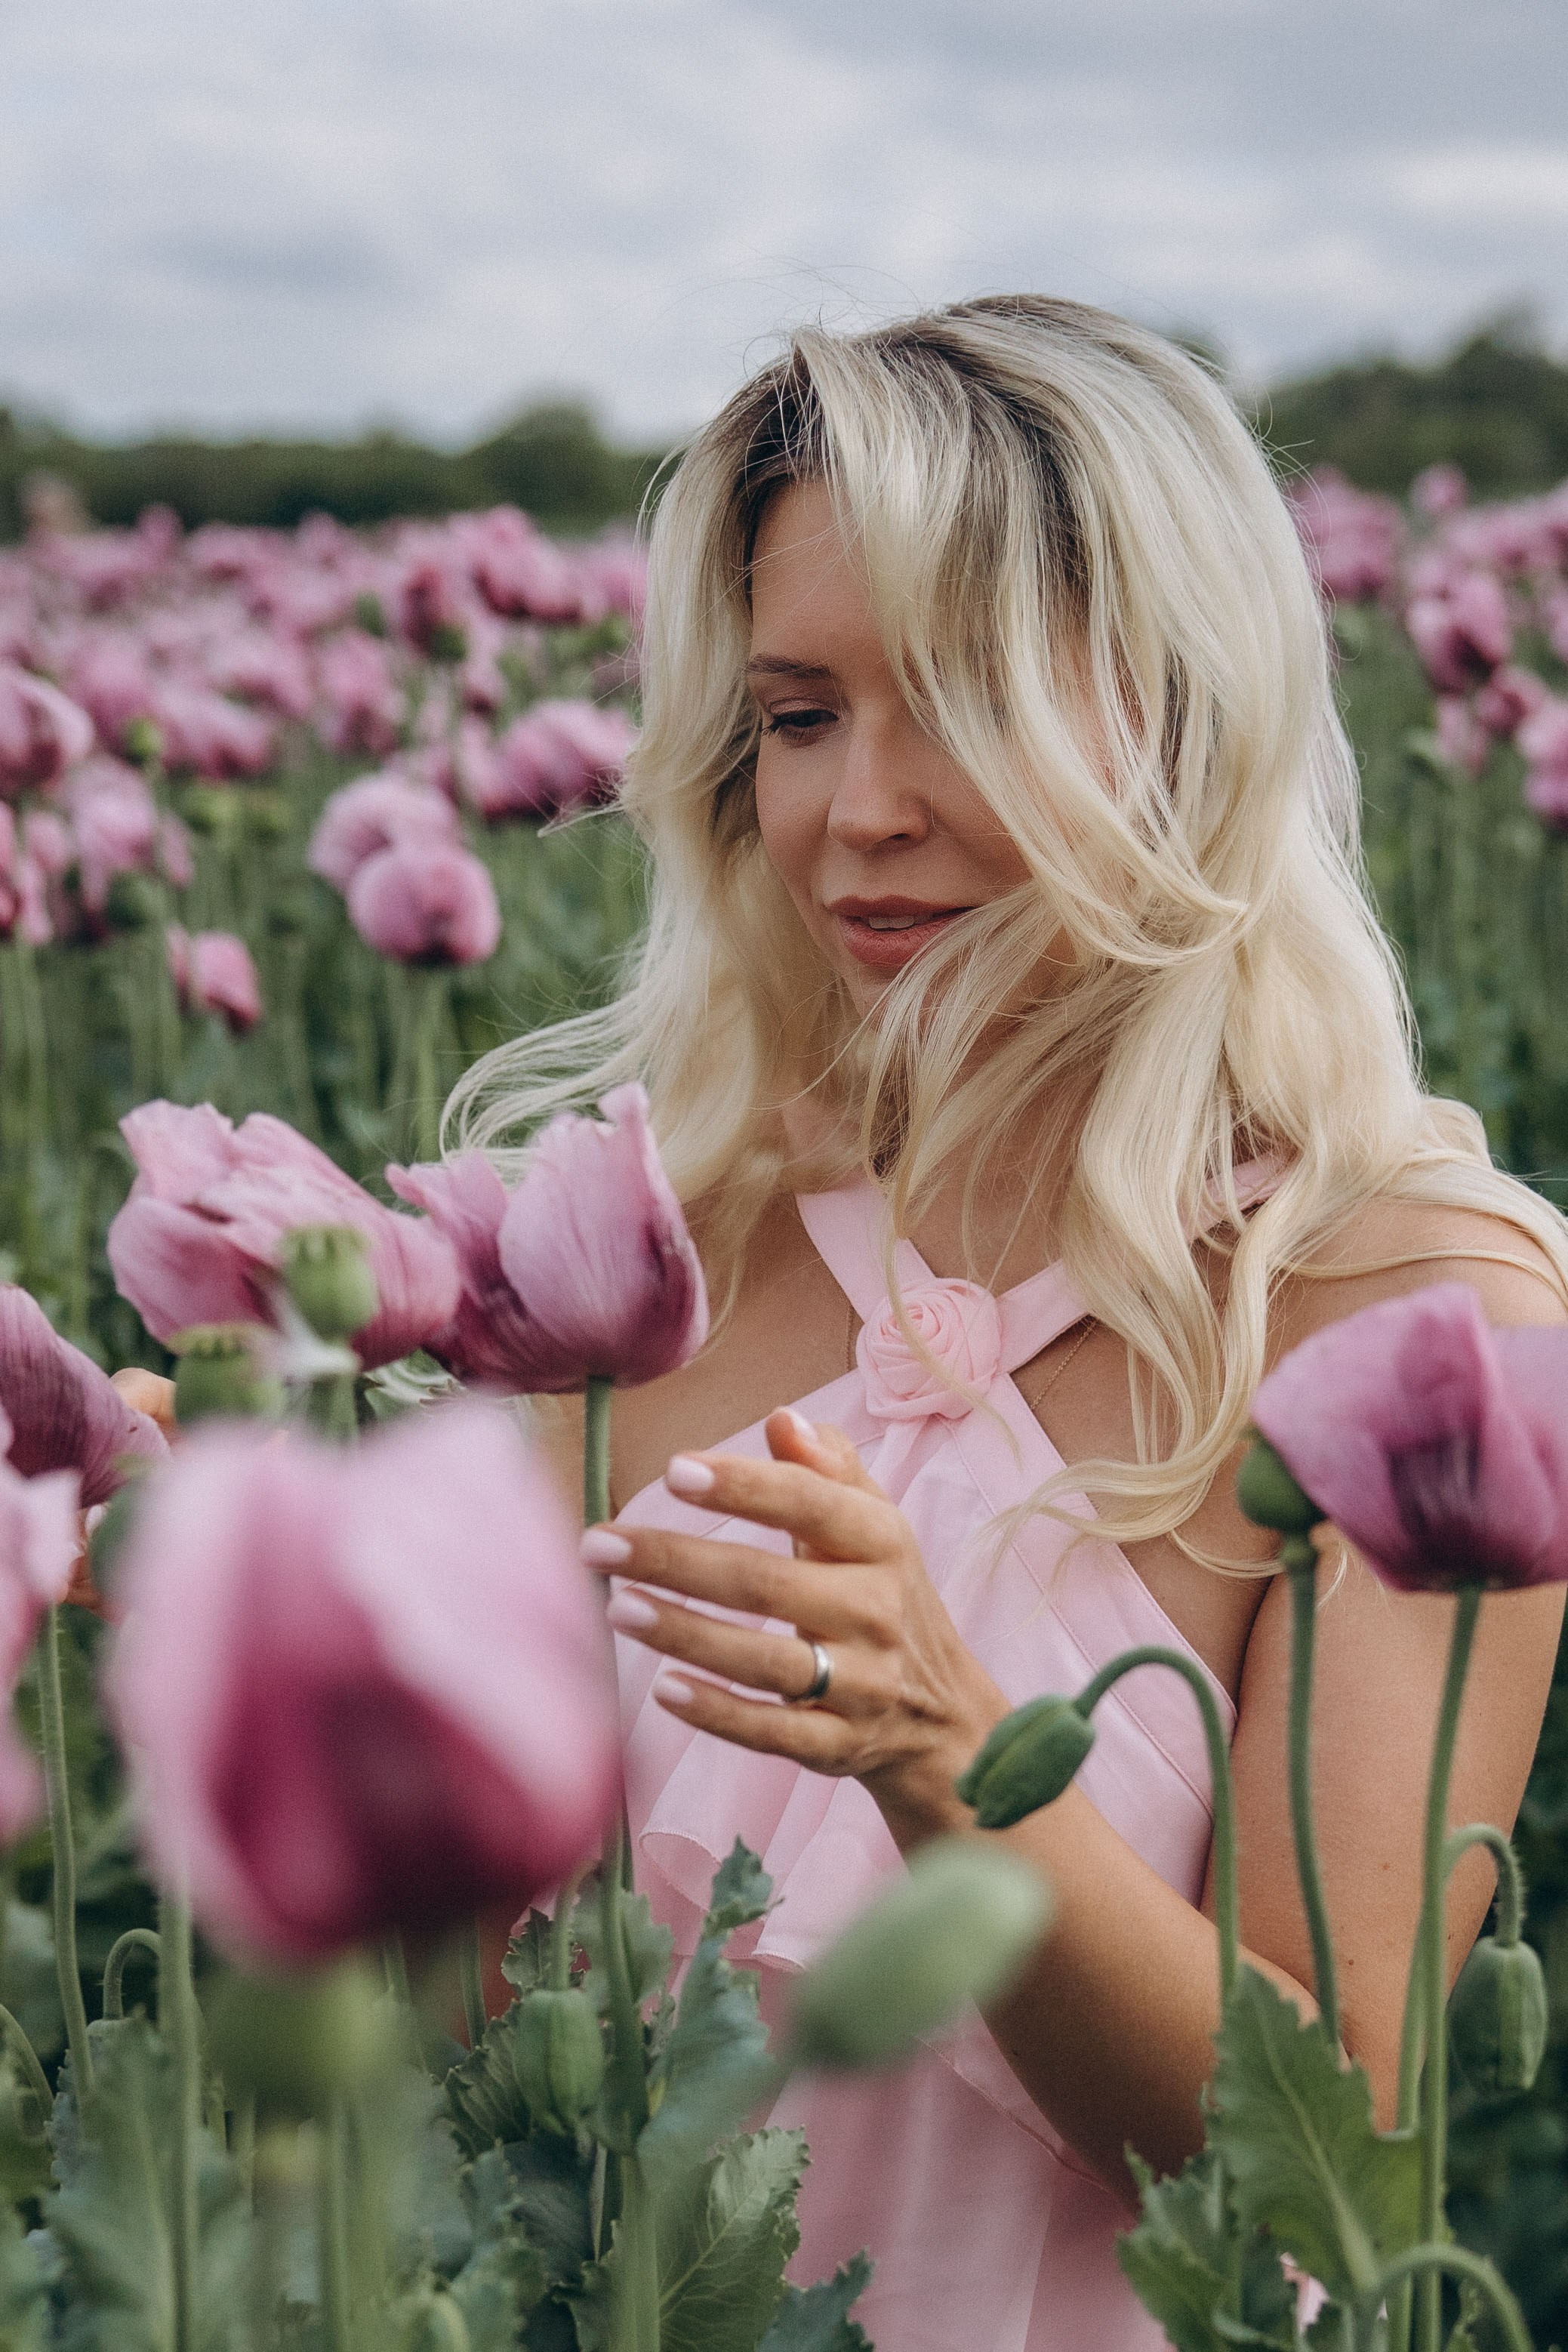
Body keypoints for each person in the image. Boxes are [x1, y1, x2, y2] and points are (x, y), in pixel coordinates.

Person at [459, 295, 1568, 2352]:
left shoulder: (1415, 1312)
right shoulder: (668, 1245)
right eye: (800, 716)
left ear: (1191, 718)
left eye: (964, 701)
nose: (859, 808)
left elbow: (1325, 2170)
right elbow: (473, 2050)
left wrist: (947, 1752)